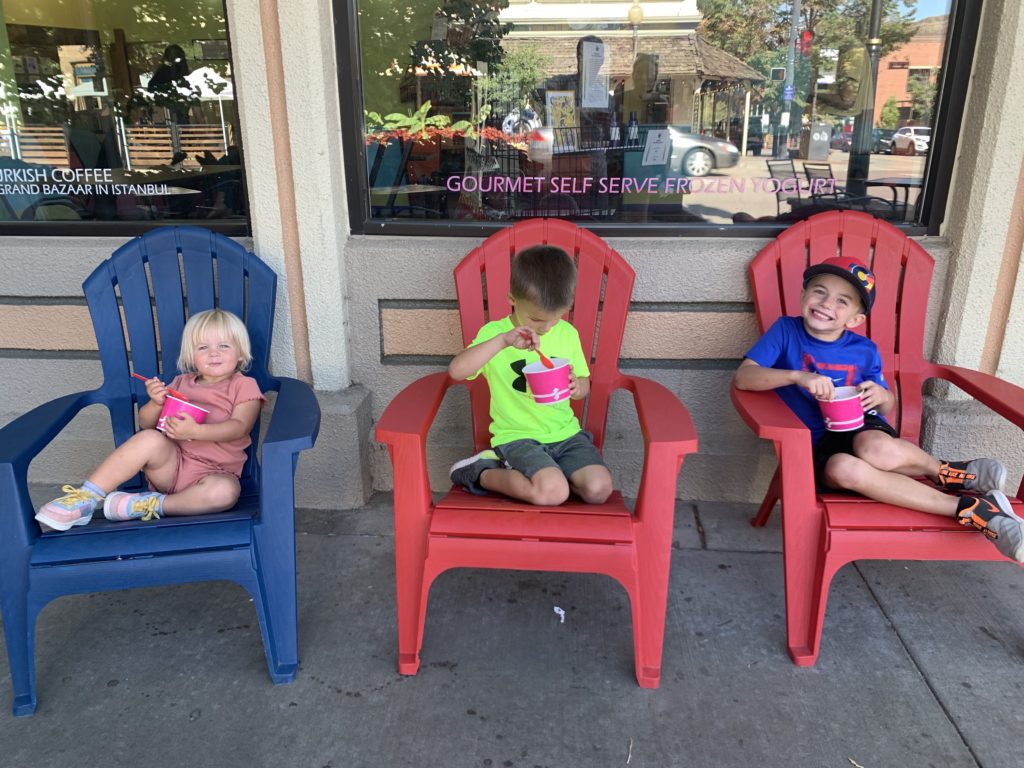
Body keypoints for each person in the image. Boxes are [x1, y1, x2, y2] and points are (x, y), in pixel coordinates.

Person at [733, 256, 1023, 561]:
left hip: (863, 427)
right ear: (803, 295)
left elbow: (888, 404)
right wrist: (796, 376)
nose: (827, 303)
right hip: (816, 446)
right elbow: (744, 377)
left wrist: (880, 395)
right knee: (844, 469)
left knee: (876, 450)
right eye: (819, 291)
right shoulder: (786, 332)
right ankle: (975, 509)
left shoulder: (865, 350)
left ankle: (949, 473)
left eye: (842, 300)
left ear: (855, 319)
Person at [35, 309, 265, 531]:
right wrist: (156, 403)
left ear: (241, 353)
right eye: (203, 347)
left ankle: (147, 504)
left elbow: (240, 427)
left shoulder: (243, 386)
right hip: (172, 465)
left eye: (224, 346)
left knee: (224, 493)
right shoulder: (180, 383)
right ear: (191, 356)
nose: (214, 353)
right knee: (148, 438)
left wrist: (196, 432)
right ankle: (86, 499)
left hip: (214, 474)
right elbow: (146, 424)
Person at [447, 245, 613, 506]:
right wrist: (502, 341)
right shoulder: (496, 334)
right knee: (553, 493)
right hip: (517, 437)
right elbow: (456, 371)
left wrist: (576, 387)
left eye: (556, 318)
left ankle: (552, 474)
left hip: (566, 434)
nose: (546, 328)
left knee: (599, 489)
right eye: (536, 319)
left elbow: (583, 382)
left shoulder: (567, 334)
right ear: (512, 299)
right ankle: (483, 472)